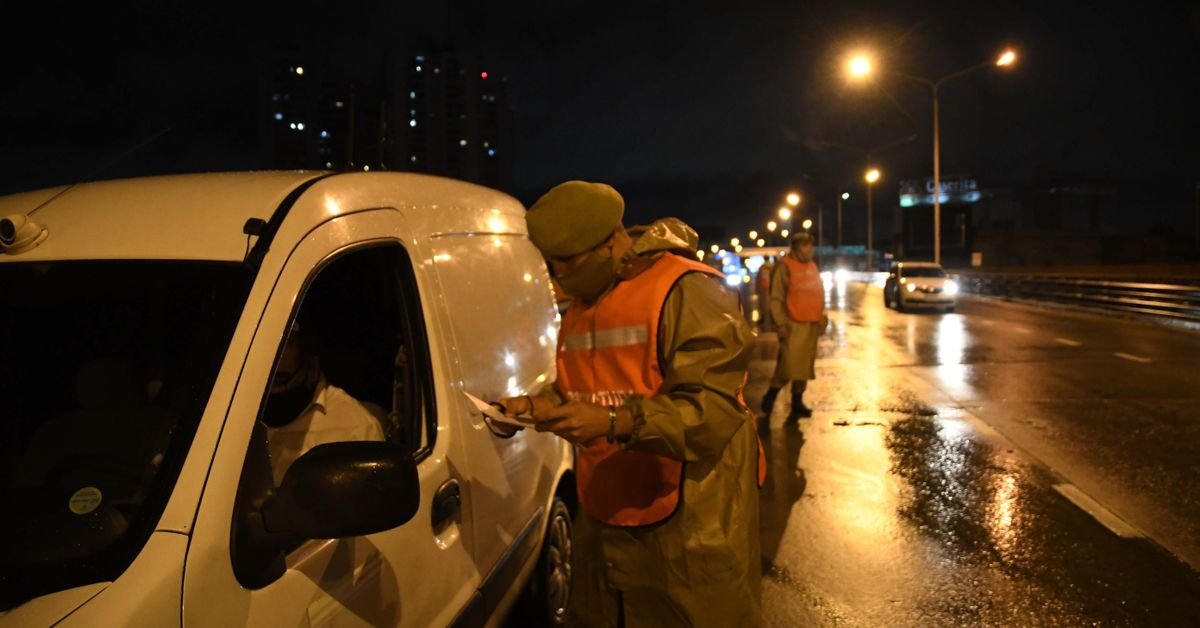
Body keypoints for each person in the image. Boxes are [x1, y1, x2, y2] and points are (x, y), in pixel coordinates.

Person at [496, 180, 763, 627]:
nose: (558, 276)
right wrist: (538, 406)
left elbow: (713, 412)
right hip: (610, 506)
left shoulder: (687, 289)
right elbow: (587, 383)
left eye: (568, 262)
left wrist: (613, 421)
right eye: (551, 264)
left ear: (609, 243)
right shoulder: (584, 301)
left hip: (693, 519)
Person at [263, 323, 386, 484]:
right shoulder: (240, 416)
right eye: (265, 382)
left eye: (281, 381)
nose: (272, 391)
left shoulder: (358, 428)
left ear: (312, 367)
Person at [762, 232, 828, 422]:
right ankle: (770, 397)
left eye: (811, 246)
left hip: (810, 324)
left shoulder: (812, 265)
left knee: (804, 367)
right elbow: (776, 298)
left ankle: (797, 403)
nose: (811, 250)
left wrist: (821, 319)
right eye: (807, 246)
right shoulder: (784, 266)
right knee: (788, 366)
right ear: (798, 248)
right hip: (792, 324)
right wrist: (781, 323)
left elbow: (818, 294)